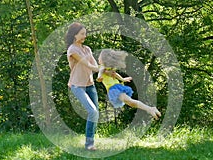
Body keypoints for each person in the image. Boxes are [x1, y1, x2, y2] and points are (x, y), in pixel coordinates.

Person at [96, 49, 161, 120]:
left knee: (130, 102)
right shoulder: (108, 68)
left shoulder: (102, 67)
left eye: (99, 57)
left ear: (104, 58)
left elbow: (102, 71)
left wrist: (99, 76)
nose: (98, 59)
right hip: (117, 87)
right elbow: (115, 74)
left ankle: (150, 109)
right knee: (130, 102)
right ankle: (149, 109)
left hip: (114, 89)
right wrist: (123, 79)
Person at [65, 22, 100, 151]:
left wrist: (107, 70)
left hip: (90, 84)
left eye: (85, 33)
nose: (85, 36)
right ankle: (89, 144)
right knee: (92, 112)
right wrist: (97, 68)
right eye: (82, 34)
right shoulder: (72, 50)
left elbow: (95, 66)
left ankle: (91, 142)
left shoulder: (87, 49)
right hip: (77, 85)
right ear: (75, 35)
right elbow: (88, 65)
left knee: (95, 114)